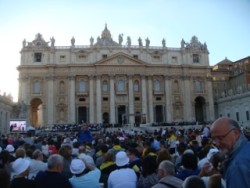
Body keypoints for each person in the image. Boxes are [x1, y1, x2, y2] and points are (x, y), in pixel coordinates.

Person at [210, 117, 250, 188]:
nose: (217, 143)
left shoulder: (237, 167)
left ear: (236, 133)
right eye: (214, 139)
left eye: (220, 138)